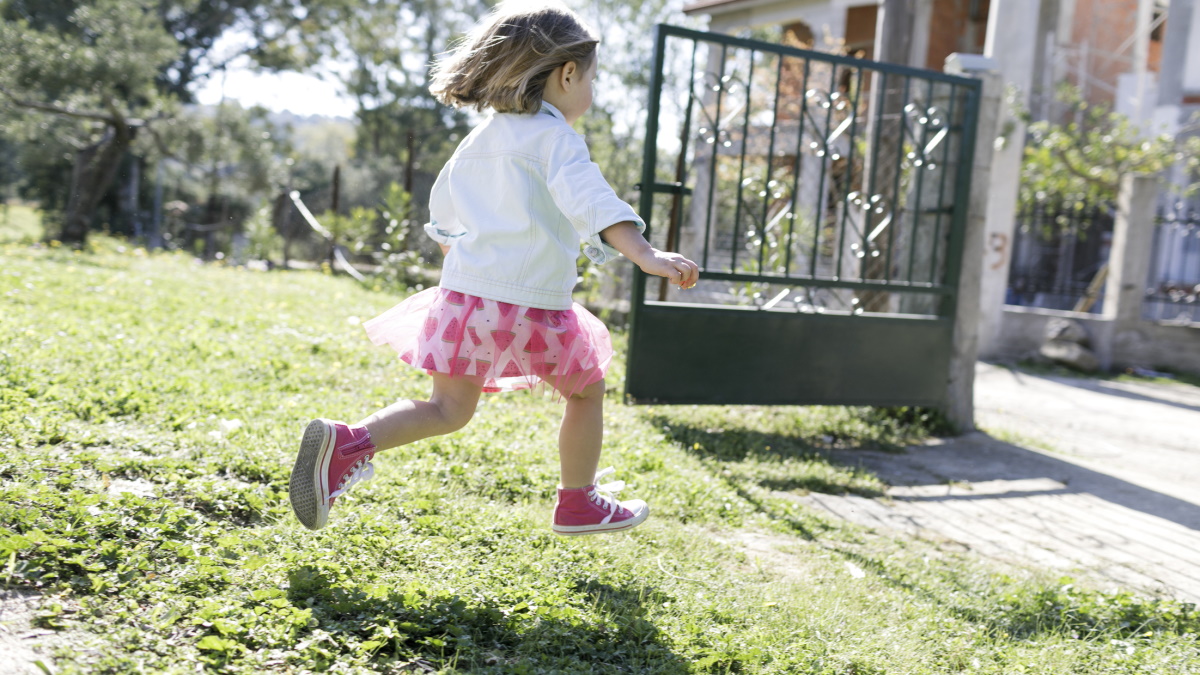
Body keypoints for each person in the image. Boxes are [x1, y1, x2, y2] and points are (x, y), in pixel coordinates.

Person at [289, 1, 699, 536]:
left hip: (465, 299)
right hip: (532, 304)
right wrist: (647, 255)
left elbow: (445, 218)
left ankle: (348, 442)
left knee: (446, 409)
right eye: (591, 80)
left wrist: (465, 275)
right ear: (567, 74)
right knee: (586, 391)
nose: (590, 94)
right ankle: (577, 501)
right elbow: (593, 202)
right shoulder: (556, 140)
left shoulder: (478, 139)